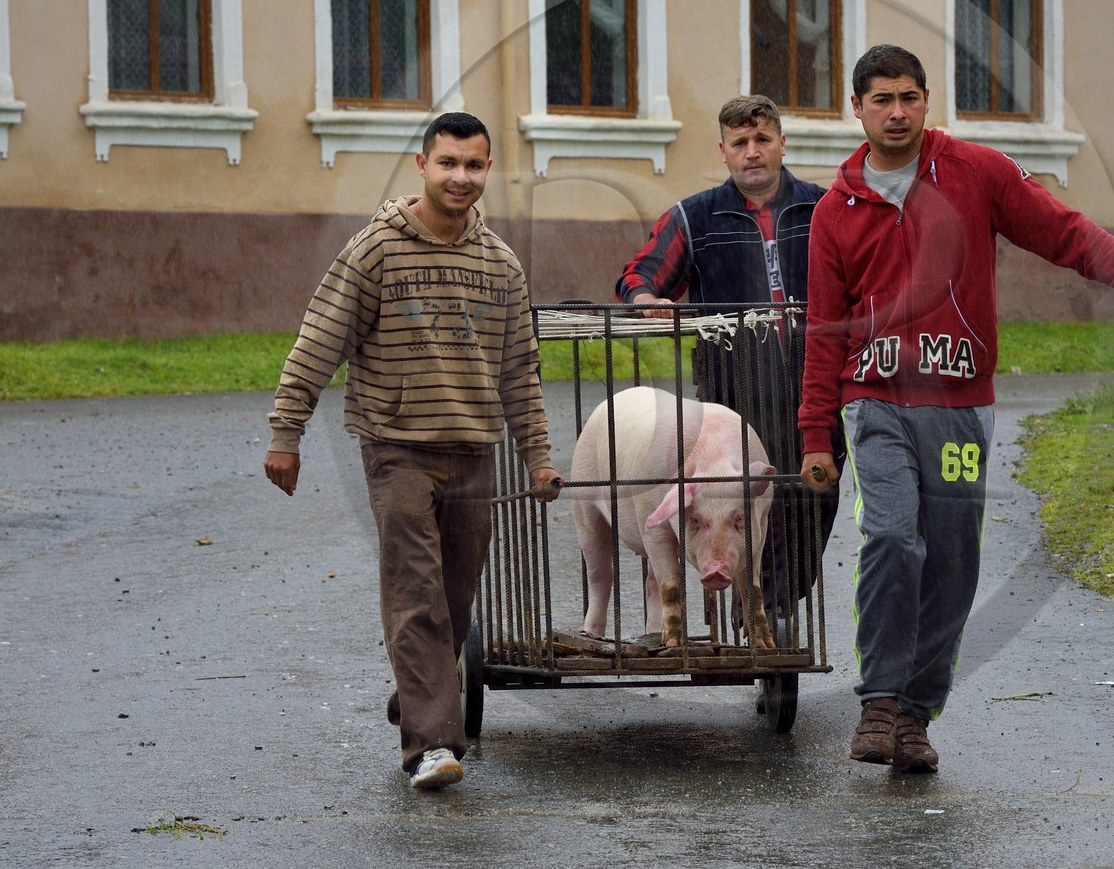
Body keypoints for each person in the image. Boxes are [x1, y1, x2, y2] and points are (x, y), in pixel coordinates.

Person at [798, 45, 1114, 774]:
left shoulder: (977, 174)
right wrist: (815, 434)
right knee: (891, 537)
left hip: (958, 407)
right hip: (876, 401)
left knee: (951, 560)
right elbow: (825, 332)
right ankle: (880, 700)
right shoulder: (835, 211)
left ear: (927, 102)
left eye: (909, 97)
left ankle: (918, 716)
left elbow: (1065, 232)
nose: (896, 112)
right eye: (881, 99)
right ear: (855, 109)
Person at [263, 111, 560, 791]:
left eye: (475, 165)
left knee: (453, 600)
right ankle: (431, 745)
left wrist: (539, 458)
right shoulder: (375, 251)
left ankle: (420, 694)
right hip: (397, 449)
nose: (461, 176)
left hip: (474, 453)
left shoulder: (500, 265)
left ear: (488, 171)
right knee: (417, 592)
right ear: (422, 166)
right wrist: (287, 433)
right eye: (448, 162)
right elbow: (319, 341)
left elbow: (520, 371)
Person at [617, 95, 842, 629]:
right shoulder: (693, 218)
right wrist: (647, 301)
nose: (753, 152)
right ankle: (766, 611)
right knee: (742, 503)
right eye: (740, 143)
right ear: (723, 151)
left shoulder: (825, 209)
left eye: (763, 139)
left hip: (818, 383)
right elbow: (638, 275)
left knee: (815, 494)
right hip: (733, 398)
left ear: (782, 143)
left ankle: (770, 603)